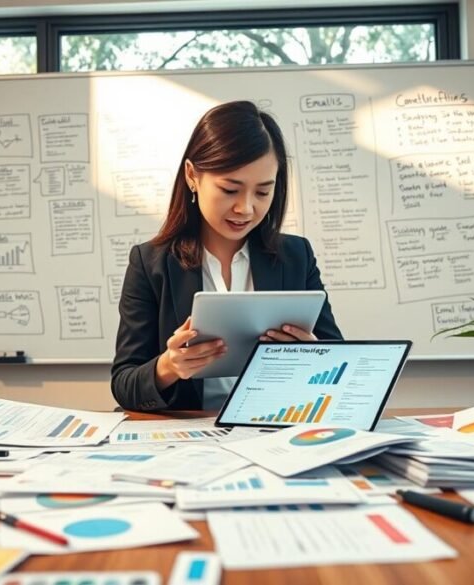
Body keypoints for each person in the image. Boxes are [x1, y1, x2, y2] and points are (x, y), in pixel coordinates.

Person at [111, 100, 342, 412]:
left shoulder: (295, 256)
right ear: (192, 176)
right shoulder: (151, 263)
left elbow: (342, 362)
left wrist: (315, 355)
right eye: (230, 190)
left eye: (263, 192)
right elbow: (124, 383)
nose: (245, 209)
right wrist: (169, 366)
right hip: (189, 439)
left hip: (274, 428)